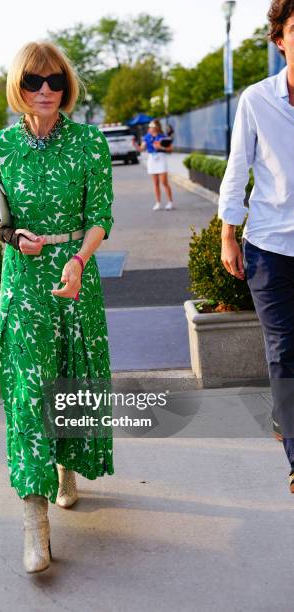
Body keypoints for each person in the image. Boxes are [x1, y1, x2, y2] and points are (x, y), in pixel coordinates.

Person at [0, 40, 114, 573]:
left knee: (72, 380)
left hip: (76, 273)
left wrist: (79, 260)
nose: (45, 91)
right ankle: (34, 525)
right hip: (23, 279)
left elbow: (101, 213)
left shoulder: (88, 142)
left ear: (67, 85)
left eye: (55, 81)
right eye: (34, 82)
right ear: (18, 87)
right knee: (29, 388)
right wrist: (10, 235)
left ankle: (66, 469)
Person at [218, 0, 294, 495]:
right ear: (281, 38)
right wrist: (228, 233)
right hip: (268, 244)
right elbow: (237, 165)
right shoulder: (256, 99)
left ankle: (283, 412)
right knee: (285, 351)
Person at [136, 119, 174, 211]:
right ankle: (158, 203)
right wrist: (136, 146)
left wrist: (160, 147)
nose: (151, 128)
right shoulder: (147, 137)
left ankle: (170, 202)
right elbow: (142, 149)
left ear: (157, 127)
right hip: (152, 159)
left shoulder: (163, 137)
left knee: (164, 182)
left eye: (152, 126)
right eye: (150, 126)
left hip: (161, 158)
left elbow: (170, 150)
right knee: (156, 183)